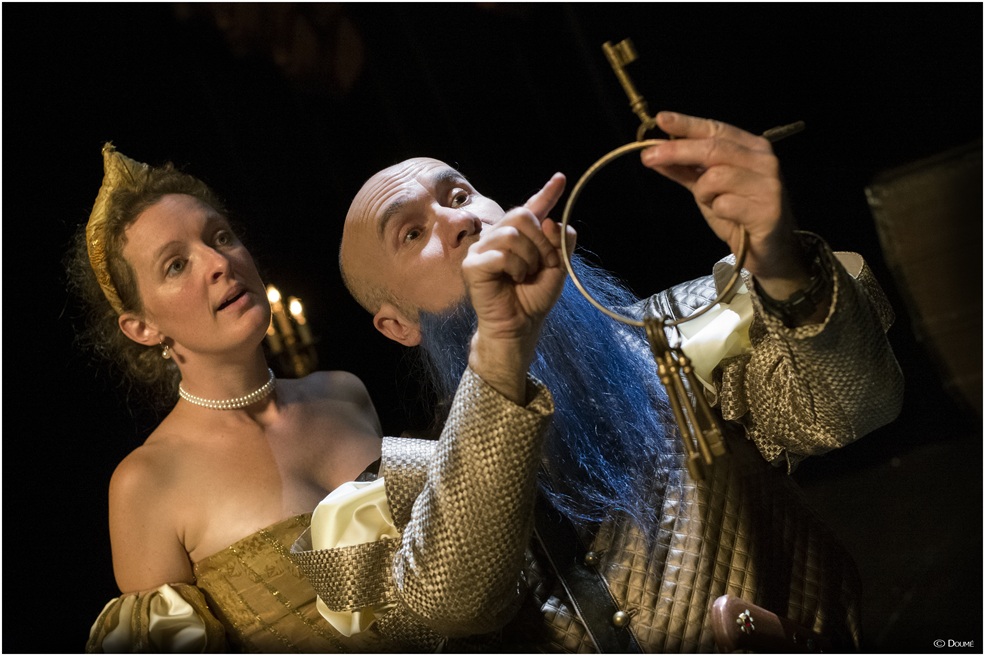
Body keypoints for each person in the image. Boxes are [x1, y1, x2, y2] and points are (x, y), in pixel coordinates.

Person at [297, 110, 904, 651]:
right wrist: (502, 350)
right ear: (397, 326)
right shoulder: (418, 484)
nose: (455, 223)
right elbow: (454, 606)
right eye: (411, 232)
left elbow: (852, 407)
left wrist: (780, 263)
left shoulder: (676, 335)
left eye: (458, 196)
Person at [76, 144, 571, 652]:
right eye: (176, 265)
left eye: (220, 237)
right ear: (141, 326)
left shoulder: (344, 393)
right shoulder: (145, 484)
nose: (218, 262)